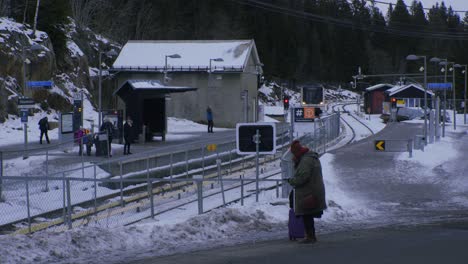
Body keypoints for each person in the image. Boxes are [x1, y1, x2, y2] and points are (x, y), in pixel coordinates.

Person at [287, 140, 327, 244]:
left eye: (293, 153)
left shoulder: (305, 161)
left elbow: (303, 177)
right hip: (312, 190)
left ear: (297, 152)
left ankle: (310, 237)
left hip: (308, 192)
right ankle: (310, 235)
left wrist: (291, 181)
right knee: (308, 214)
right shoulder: (309, 157)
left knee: (307, 214)